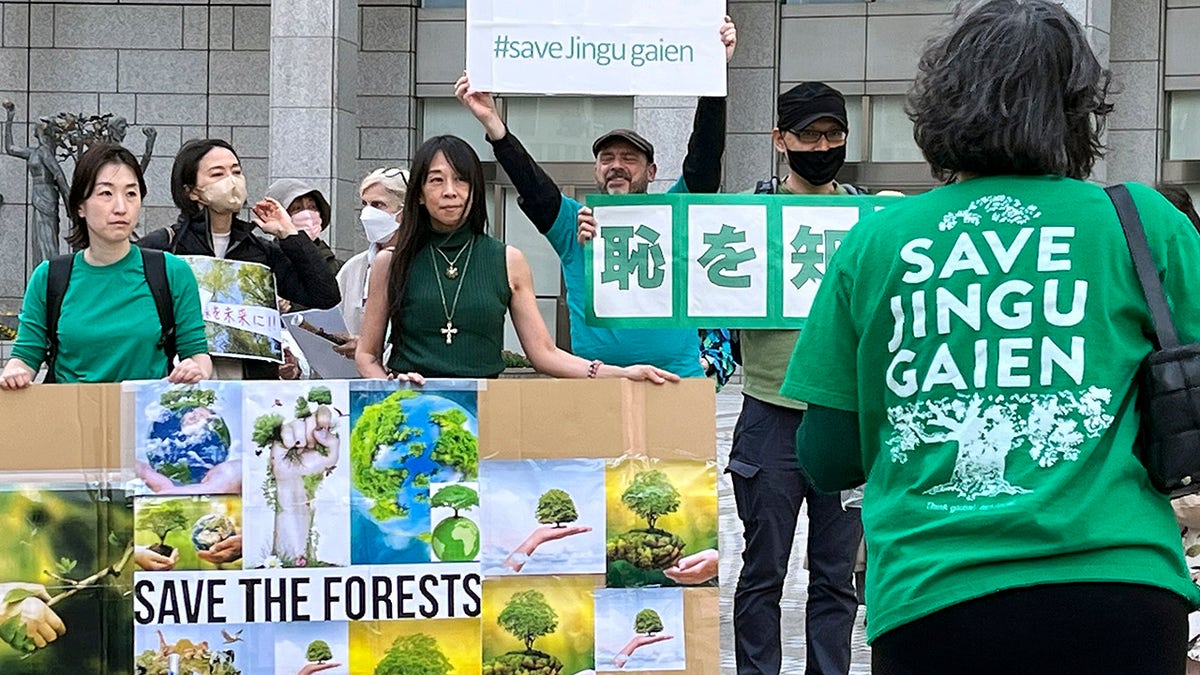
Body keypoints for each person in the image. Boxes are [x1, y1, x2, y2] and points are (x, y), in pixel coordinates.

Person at [782, 1, 1200, 673]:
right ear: (1077, 109)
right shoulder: (1142, 222)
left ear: (942, 104)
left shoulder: (880, 240)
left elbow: (827, 455)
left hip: (936, 600)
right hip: (1123, 592)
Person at [455, 16, 736, 378]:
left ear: (651, 172)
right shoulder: (577, 223)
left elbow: (703, 161)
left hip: (678, 379)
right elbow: (533, 186)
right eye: (607, 159)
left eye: (629, 159)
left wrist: (714, 78)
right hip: (597, 379)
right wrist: (494, 125)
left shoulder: (676, 214)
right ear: (596, 170)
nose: (616, 166)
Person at [722, 82, 865, 675]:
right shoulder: (746, 217)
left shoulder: (868, 218)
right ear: (780, 141)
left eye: (834, 135)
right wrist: (610, 239)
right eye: (810, 135)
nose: (823, 146)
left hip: (844, 417)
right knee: (762, 572)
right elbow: (676, 260)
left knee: (836, 577)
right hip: (768, 416)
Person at [355, 134, 677, 384]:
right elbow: (367, 355)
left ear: (476, 188)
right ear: (420, 194)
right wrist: (389, 389)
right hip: (408, 410)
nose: (450, 191)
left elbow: (544, 354)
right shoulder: (391, 262)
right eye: (436, 180)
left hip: (486, 413)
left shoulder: (507, 259)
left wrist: (620, 373)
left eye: (461, 179)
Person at [0, 143, 211, 389]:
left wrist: (195, 369)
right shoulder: (50, 277)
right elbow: (26, 356)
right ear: (80, 206)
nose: (121, 207)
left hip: (146, 418)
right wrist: (13, 374)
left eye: (131, 194)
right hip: (72, 418)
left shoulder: (172, 272)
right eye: (106, 194)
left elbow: (197, 353)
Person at [138, 139, 340, 379]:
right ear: (191, 190)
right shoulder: (164, 246)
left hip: (251, 384)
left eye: (236, 171)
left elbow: (325, 295)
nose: (231, 181)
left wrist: (289, 235)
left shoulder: (260, 251)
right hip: (181, 378)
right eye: (217, 174)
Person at [335, 167, 408, 359]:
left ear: (405, 211)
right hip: (356, 378)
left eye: (378, 205)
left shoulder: (428, 265)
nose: (367, 214)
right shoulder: (353, 269)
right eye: (364, 204)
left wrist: (371, 347)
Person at [3, 102, 71, 265]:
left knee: (47, 238)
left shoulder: (45, 153)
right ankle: (41, 270)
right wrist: (10, 119)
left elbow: (59, 177)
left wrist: (69, 203)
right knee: (39, 238)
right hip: (38, 197)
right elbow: (10, 148)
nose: (37, 134)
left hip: (47, 198)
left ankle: (48, 270)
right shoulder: (35, 152)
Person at [264, 178, 342, 277]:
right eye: (297, 208)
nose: (307, 214)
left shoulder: (339, 268)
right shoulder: (267, 263)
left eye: (312, 207)